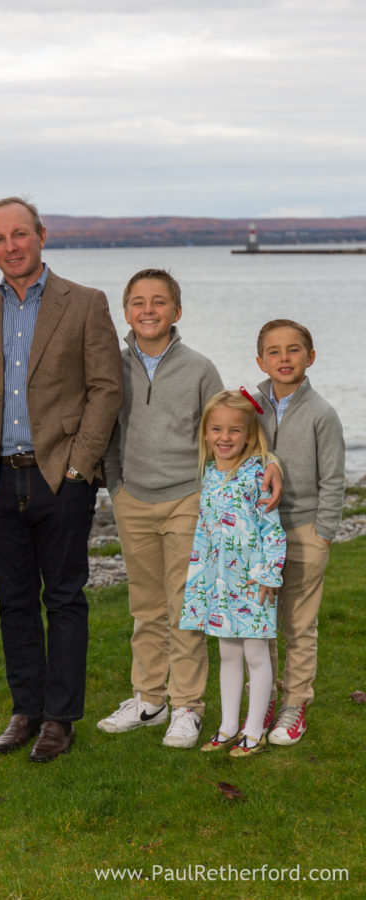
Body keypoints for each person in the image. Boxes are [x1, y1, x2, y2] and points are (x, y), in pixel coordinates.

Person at [98, 269, 283, 748]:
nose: (149, 310)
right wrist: (115, 486)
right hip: (132, 498)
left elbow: (233, 425)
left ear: (176, 311)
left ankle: (187, 707)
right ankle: (149, 698)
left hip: (188, 500)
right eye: (138, 302)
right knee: (146, 605)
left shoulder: (199, 368)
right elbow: (108, 433)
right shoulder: (112, 366)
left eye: (159, 301)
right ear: (126, 312)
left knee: (185, 605)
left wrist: (270, 461)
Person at [0, 196, 123, 762]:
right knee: (13, 601)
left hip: (61, 474)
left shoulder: (84, 303)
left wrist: (81, 465)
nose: (10, 247)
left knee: (63, 598)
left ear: (41, 235)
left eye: (19, 234)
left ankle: (60, 719)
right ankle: (25, 710)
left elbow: (106, 387)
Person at [179, 390, 287, 756]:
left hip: (253, 582)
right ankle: (227, 727)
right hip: (218, 583)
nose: (224, 438)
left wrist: (271, 574)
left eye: (234, 431)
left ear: (249, 433)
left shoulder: (258, 474)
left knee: (256, 655)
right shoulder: (209, 473)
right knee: (228, 654)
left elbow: (272, 528)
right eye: (216, 429)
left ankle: (253, 731)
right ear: (206, 433)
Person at [255, 319, 345, 746]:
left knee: (299, 623)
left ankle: (296, 704)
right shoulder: (251, 406)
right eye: (274, 351)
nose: (284, 358)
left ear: (310, 357)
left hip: (306, 529)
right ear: (260, 360)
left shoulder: (321, 414)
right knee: (262, 621)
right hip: (259, 534)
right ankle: (266, 699)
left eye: (294, 350)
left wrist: (324, 533)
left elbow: (333, 480)